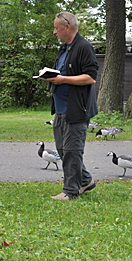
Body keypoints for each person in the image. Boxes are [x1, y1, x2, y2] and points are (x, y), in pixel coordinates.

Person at [42, 12, 99, 200]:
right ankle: (85, 181)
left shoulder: (84, 47)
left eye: (57, 28)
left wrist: (63, 79)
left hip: (77, 109)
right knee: (62, 150)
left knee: (72, 152)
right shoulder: (63, 49)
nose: (54, 32)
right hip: (60, 109)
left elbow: (90, 77)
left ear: (67, 27)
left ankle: (70, 191)